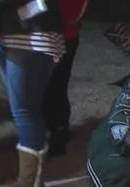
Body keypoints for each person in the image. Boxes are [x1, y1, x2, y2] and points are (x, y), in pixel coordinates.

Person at [0, 0, 66, 187]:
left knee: (25, 109)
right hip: (3, 30)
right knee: (22, 107)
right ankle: (30, 176)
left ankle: (28, 182)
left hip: (32, 31)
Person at [44, 0, 89, 157]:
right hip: (42, 33)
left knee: (56, 85)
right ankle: (50, 126)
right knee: (45, 87)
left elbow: (74, 11)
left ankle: (59, 131)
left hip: (64, 34)